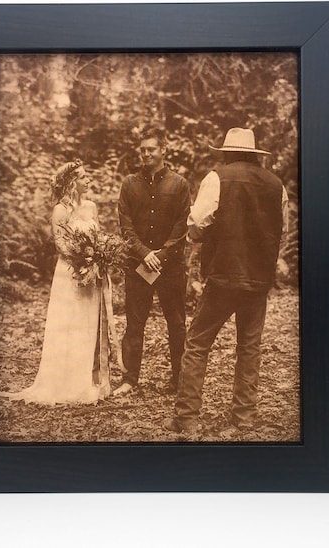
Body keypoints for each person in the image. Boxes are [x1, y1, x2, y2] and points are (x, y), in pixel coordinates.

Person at [164, 128, 289, 436]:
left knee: (196, 344)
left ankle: (187, 418)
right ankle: (244, 419)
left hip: (222, 276)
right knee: (249, 347)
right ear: (255, 153)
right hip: (258, 278)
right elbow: (281, 230)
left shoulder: (216, 178)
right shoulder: (276, 185)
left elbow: (196, 225)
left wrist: (209, 236)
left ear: (228, 152)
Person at [0, 160, 111, 404]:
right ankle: (64, 383)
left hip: (91, 274)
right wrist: (82, 259)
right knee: (68, 324)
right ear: (72, 183)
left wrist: (100, 256)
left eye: (87, 175)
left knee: (87, 324)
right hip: (70, 273)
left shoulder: (91, 207)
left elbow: (98, 236)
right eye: (83, 177)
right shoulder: (60, 210)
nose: (88, 180)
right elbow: (60, 244)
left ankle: (84, 381)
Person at [113, 126, 191, 396]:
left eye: (151, 149)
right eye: (143, 149)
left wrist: (162, 254)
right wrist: (144, 253)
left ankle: (179, 379)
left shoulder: (179, 184)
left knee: (177, 323)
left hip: (171, 268)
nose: (146, 153)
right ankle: (129, 380)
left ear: (163, 150)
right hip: (138, 266)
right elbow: (125, 225)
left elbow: (183, 225)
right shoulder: (129, 184)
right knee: (134, 324)